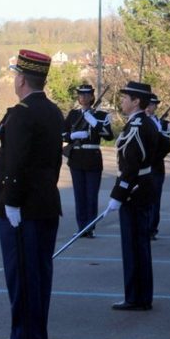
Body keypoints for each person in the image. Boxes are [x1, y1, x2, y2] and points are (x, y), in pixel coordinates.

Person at [0, 50, 64, 339]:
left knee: (21, 274)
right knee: (39, 274)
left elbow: (16, 163)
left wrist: (12, 202)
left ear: (21, 79)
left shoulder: (21, 112)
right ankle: (36, 335)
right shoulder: (53, 110)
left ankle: (23, 336)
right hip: (46, 203)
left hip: (24, 208)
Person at [107, 81, 160, 311]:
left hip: (135, 191)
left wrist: (118, 194)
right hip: (143, 187)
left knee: (133, 246)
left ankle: (135, 297)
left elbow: (131, 165)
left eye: (125, 97)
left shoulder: (137, 126)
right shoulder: (144, 123)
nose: (122, 101)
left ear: (136, 101)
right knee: (139, 245)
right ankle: (142, 296)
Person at [62, 84, 114, 238]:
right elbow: (62, 133)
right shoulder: (73, 114)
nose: (83, 97)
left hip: (93, 158)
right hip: (76, 158)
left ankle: (90, 227)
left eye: (87, 95)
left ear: (92, 97)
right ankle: (81, 227)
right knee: (80, 195)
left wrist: (95, 123)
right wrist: (72, 136)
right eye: (81, 95)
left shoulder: (101, 115)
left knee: (91, 195)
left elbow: (109, 135)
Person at [146, 94, 170, 240]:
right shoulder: (140, 122)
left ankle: (152, 228)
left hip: (156, 166)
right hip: (142, 167)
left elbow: (167, 146)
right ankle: (144, 226)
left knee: (155, 199)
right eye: (148, 104)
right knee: (143, 199)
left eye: (153, 105)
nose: (150, 107)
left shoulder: (163, 124)